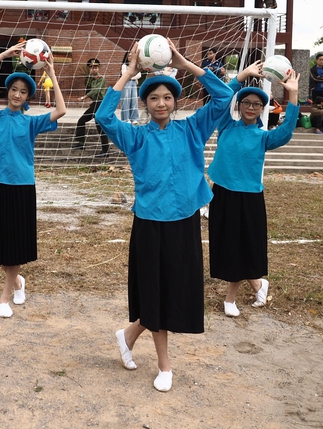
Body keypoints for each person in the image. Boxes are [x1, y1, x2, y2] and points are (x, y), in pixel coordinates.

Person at [96, 40, 233, 393]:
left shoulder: (192, 129)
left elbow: (223, 97)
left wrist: (185, 65)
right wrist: (129, 73)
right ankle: (164, 365)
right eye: (154, 98)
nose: (161, 103)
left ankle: (128, 335)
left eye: (168, 97)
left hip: (184, 221)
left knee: (175, 290)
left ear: (175, 101)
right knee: (156, 290)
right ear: (145, 103)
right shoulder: (135, 137)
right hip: (150, 223)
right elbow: (103, 118)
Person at [0, 42, 66, 318]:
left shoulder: (31, 123)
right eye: (14, 89)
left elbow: (61, 110)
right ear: (8, 91)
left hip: (21, 187)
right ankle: (17, 282)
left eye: (23, 92)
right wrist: (3, 55)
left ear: (28, 98)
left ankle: (5, 297)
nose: (17, 94)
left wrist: (51, 72)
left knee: (14, 244)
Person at [208, 63, 299, 318]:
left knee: (242, 246)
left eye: (257, 104)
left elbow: (287, 131)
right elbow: (221, 97)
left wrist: (292, 94)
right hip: (222, 194)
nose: (250, 107)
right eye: (246, 102)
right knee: (228, 245)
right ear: (239, 106)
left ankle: (230, 298)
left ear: (262, 109)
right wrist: (243, 76)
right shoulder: (226, 125)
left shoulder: (263, 137)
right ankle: (258, 285)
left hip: (249, 199)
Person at [72, 58, 109, 157]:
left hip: (100, 104)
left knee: (100, 126)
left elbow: (95, 91)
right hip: (95, 104)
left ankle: (105, 151)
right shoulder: (89, 79)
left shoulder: (101, 78)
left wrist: (83, 97)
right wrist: (89, 78)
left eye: (96, 67)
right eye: (92, 68)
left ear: (99, 68)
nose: (94, 69)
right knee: (81, 121)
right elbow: (88, 88)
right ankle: (81, 143)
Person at [119, 52, 141, 124]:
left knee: (134, 100)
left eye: (131, 56)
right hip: (126, 83)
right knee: (126, 100)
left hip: (134, 83)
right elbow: (124, 74)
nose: (130, 57)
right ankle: (126, 119)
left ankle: (134, 118)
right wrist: (132, 76)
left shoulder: (136, 65)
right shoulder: (124, 66)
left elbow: (139, 75)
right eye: (129, 56)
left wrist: (130, 76)